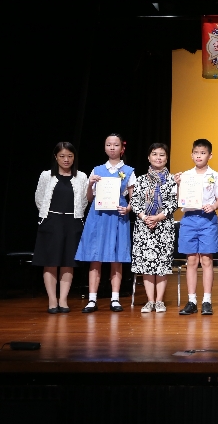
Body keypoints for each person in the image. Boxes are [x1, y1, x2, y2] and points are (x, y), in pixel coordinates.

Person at [75, 133, 136, 313]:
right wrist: (89, 184)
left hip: (118, 217)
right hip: (98, 217)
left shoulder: (129, 171)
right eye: (108, 144)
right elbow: (89, 198)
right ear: (105, 147)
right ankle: (92, 299)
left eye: (115, 145)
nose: (112, 147)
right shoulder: (97, 170)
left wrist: (128, 209)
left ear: (122, 148)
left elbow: (134, 199)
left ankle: (115, 298)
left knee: (116, 258)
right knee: (95, 258)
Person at [33, 142, 88, 313]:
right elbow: (39, 198)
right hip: (51, 221)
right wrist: (47, 217)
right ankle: (52, 300)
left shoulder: (81, 177)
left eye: (70, 156)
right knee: (50, 261)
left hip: (72, 222)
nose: (66, 159)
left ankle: (63, 300)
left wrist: (75, 216)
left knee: (68, 262)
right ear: (56, 157)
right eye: (62, 156)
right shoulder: (46, 175)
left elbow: (84, 201)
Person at [174, 139, 218, 316]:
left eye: (203, 153)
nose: (199, 156)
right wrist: (178, 184)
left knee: (206, 260)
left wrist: (213, 206)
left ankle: (207, 300)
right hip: (189, 219)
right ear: (191, 155)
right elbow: (179, 200)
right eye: (196, 152)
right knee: (191, 261)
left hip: (207, 220)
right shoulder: (185, 176)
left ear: (210, 155)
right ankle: (192, 300)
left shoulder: (216, 176)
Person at [130, 143, 177, 313]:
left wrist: (157, 217)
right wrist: (145, 217)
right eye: (155, 154)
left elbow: (174, 203)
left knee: (162, 264)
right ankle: (150, 301)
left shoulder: (172, 180)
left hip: (164, 226)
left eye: (162, 155)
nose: (158, 157)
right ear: (148, 157)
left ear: (167, 158)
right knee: (147, 264)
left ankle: (159, 301)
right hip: (144, 226)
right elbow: (135, 202)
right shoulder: (141, 180)